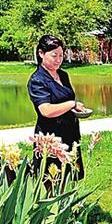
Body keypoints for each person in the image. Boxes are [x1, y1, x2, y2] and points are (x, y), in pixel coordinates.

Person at [27, 35, 86, 180]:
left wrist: (75, 107)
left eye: (61, 55)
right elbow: (45, 110)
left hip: (70, 132)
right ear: (41, 53)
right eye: (54, 56)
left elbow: (66, 99)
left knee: (71, 175)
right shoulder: (37, 80)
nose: (59, 59)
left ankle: (70, 203)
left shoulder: (63, 75)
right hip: (51, 137)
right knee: (52, 178)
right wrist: (71, 104)